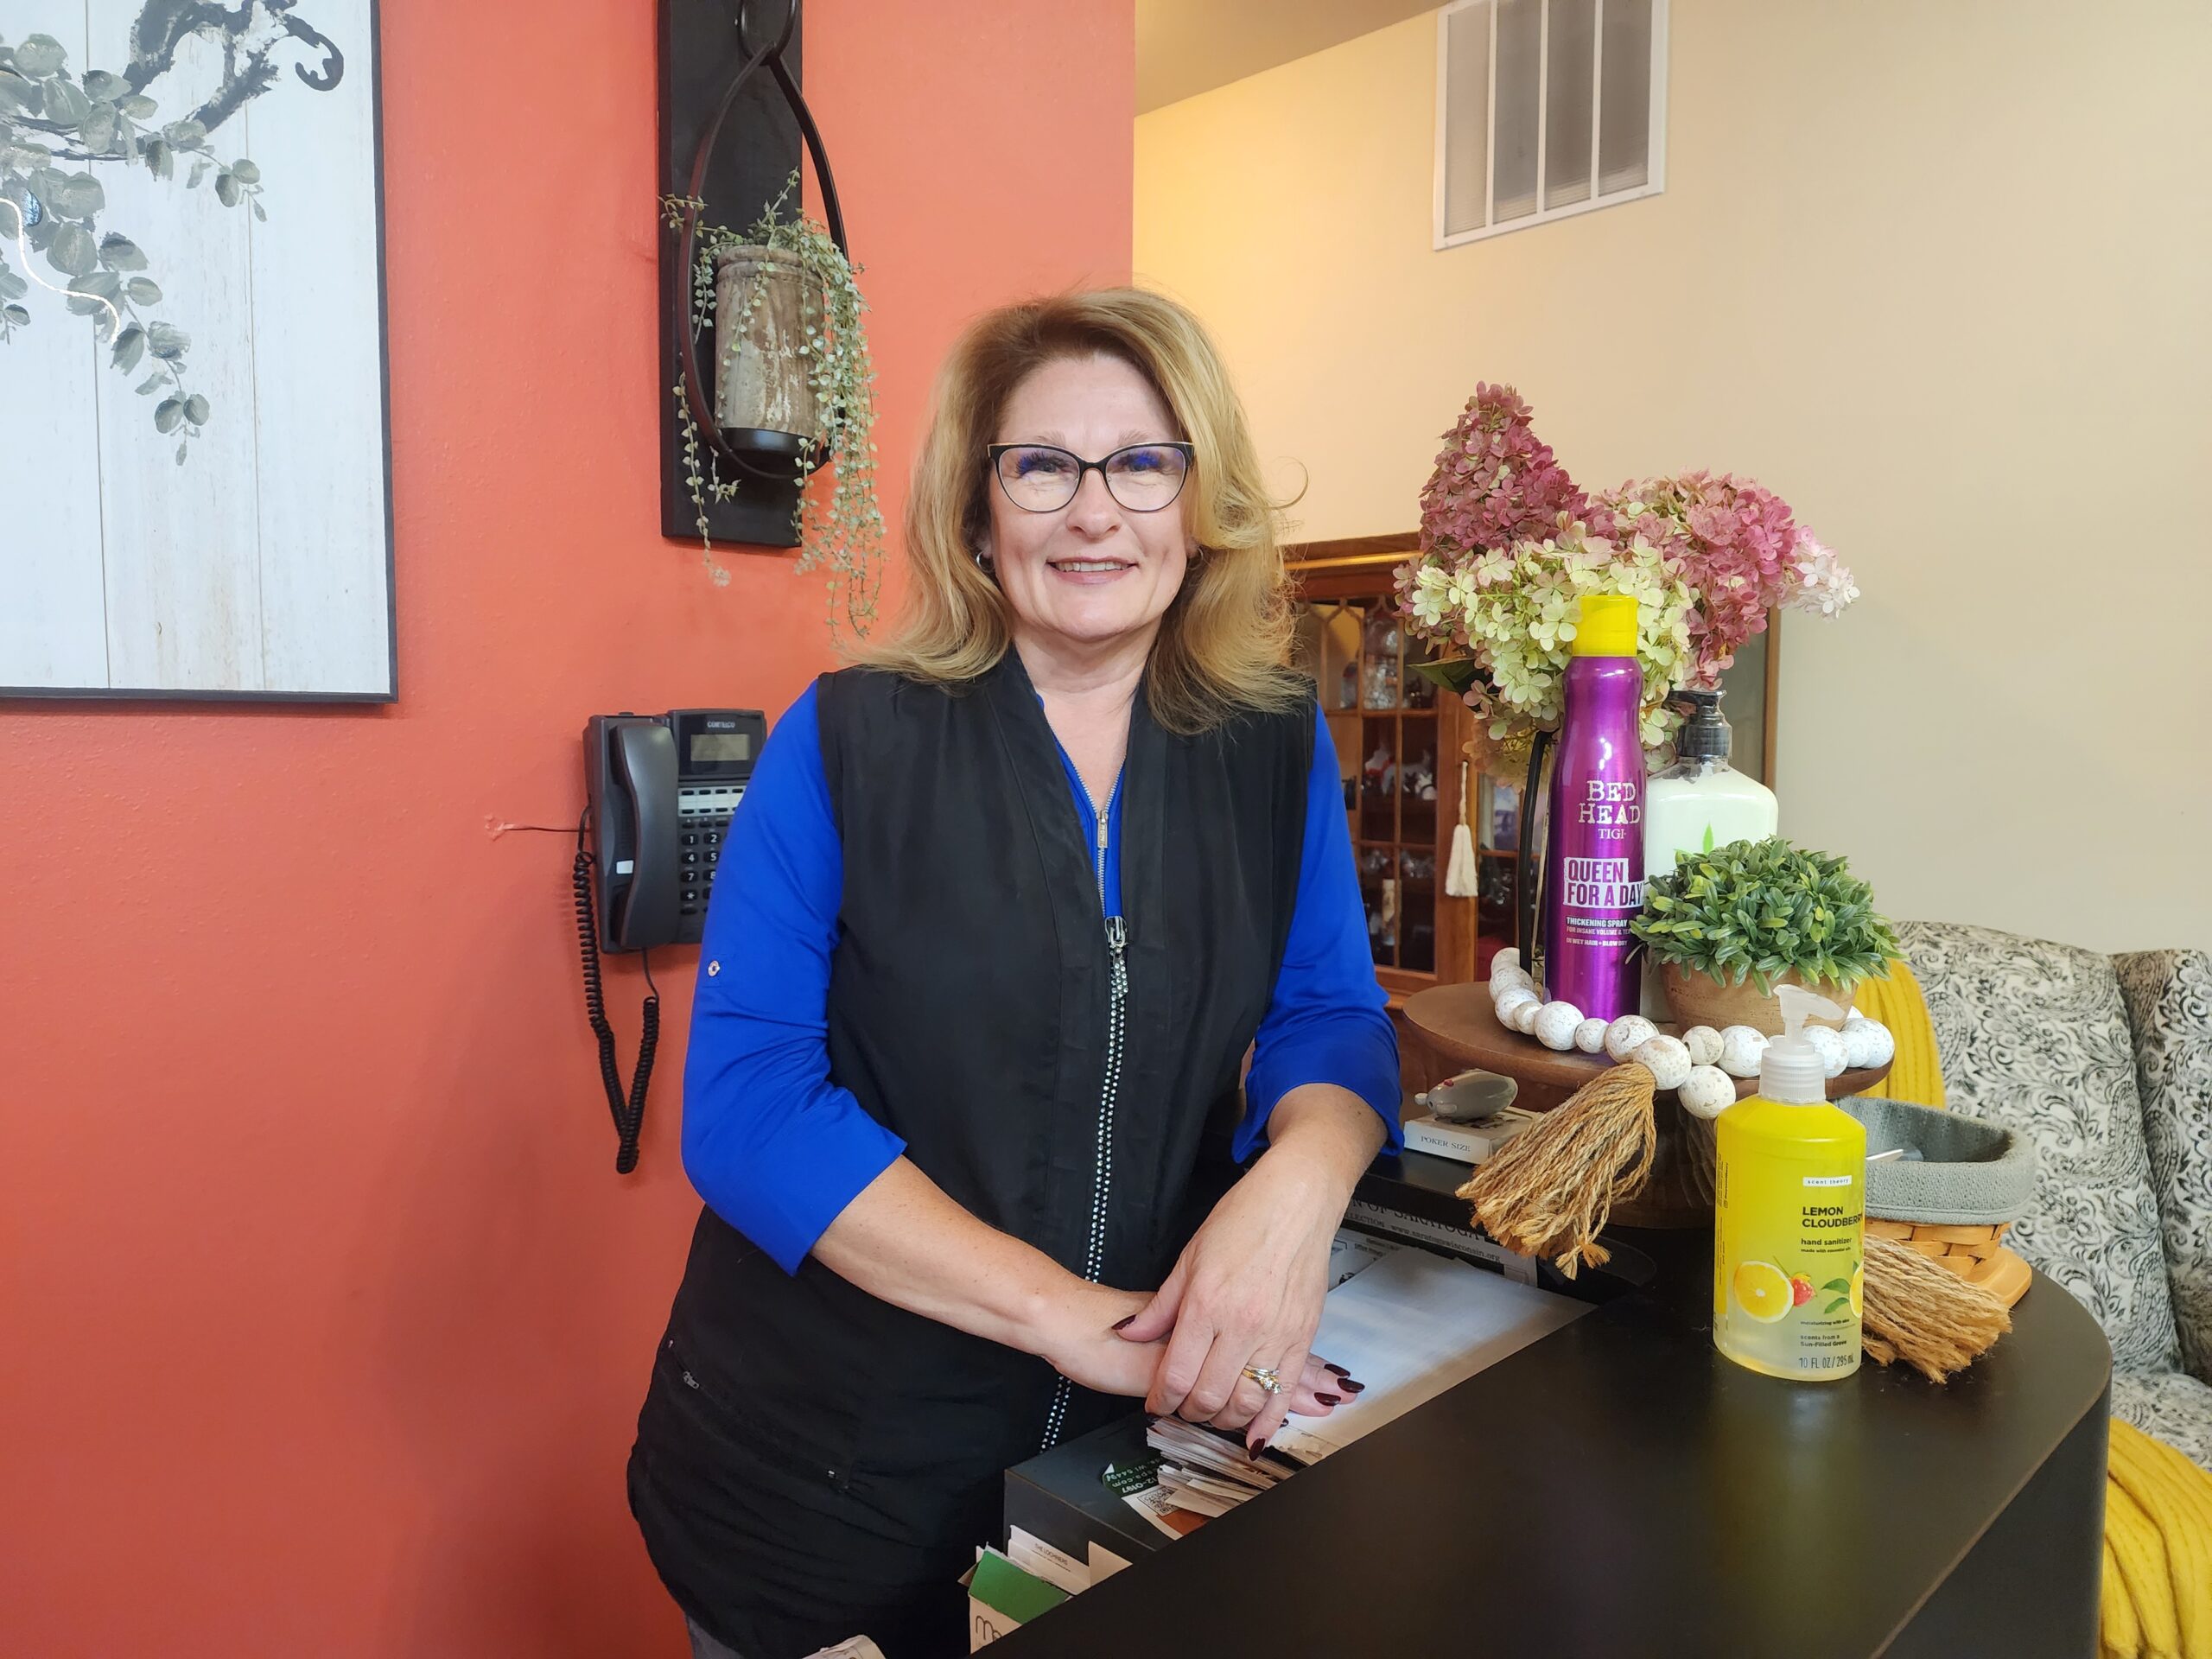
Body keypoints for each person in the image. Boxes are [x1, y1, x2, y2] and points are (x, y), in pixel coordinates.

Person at [628, 289, 1401, 1658]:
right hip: (819, 1490)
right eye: (1042, 465)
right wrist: (1070, 1319)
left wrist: (1300, 1183)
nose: (1094, 511)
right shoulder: (848, 740)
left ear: (1196, 498)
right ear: (980, 511)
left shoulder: (1273, 747)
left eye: (1141, 463)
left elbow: (1326, 1014)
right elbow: (746, 1111)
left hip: (1108, 1482)